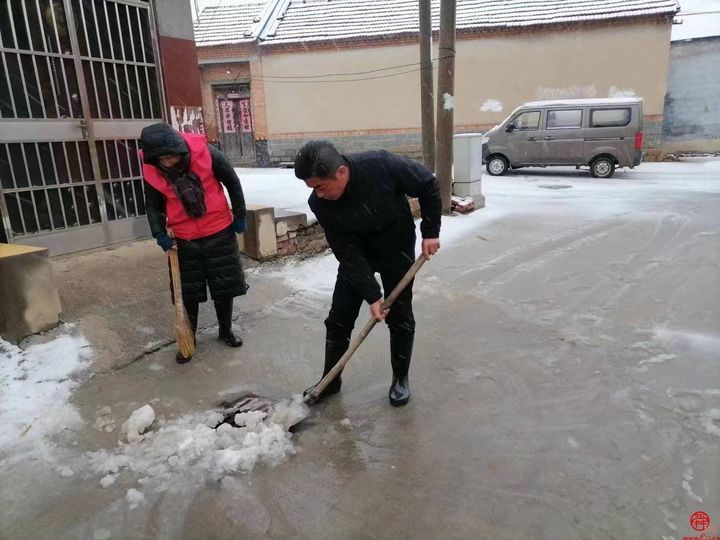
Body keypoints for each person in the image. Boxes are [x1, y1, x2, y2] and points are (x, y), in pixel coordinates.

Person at [295, 141, 442, 406]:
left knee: (399, 316)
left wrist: (430, 232)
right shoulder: (321, 204)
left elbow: (427, 185)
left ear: (340, 172)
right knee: (338, 319)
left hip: (396, 247)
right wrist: (372, 294)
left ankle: (400, 379)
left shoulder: (380, 165)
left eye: (320, 186)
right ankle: (330, 380)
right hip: (358, 254)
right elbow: (345, 251)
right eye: (312, 188)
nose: (317, 194)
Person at [139, 123, 248, 364]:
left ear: (181, 150)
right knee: (188, 292)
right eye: (163, 160)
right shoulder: (152, 170)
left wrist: (240, 215)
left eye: (172, 157)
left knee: (224, 286)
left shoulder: (206, 153)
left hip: (219, 229)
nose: (169, 163)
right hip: (184, 238)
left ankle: (225, 330)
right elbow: (153, 205)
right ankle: (190, 337)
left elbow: (233, 182)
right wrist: (160, 234)